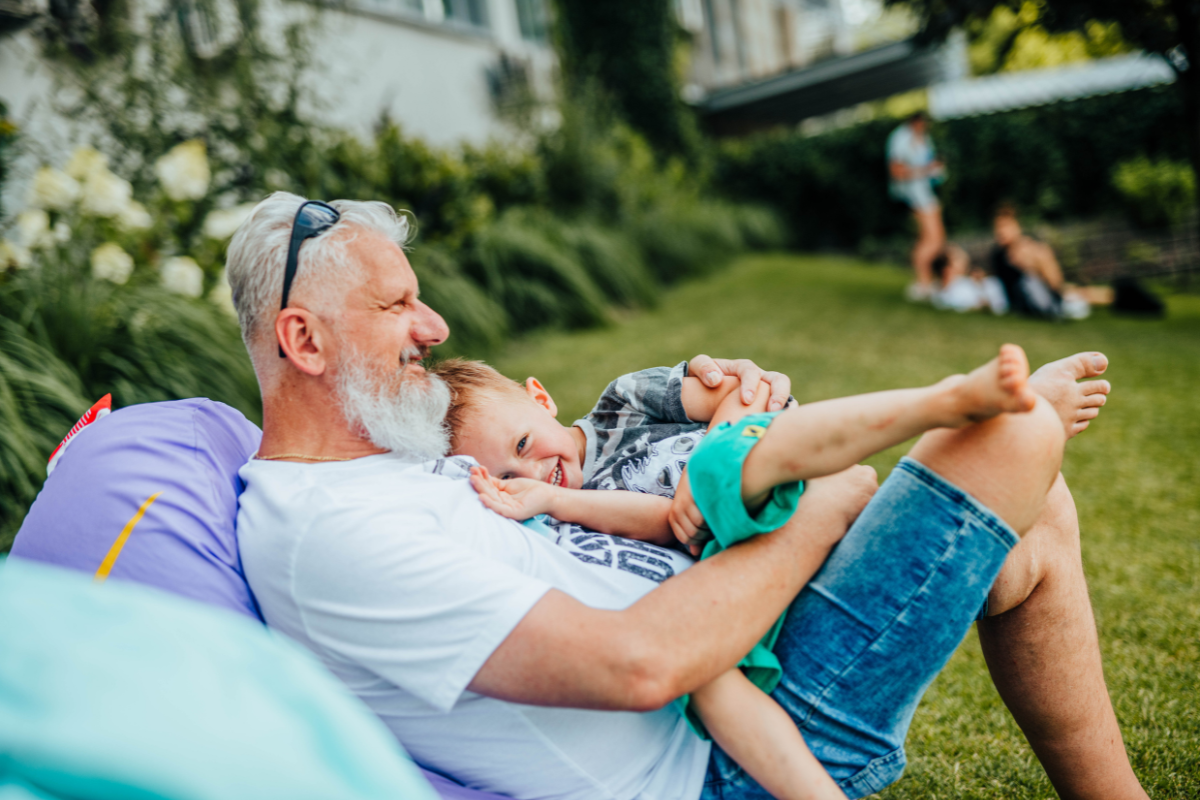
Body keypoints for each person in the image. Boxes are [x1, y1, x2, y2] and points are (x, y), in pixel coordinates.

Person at [229, 192, 1148, 800]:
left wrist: (715, 404)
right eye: (395, 308)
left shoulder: (392, 463)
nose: (433, 328)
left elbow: (584, 493)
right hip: (722, 757)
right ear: (303, 342)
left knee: (1035, 524)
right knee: (1013, 436)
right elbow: (640, 666)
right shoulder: (327, 532)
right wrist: (827, 502)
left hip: (737, 644)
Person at [433, 344, 1060, 800]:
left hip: (764, 481)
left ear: (540, 398)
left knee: (720, 468)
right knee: (712, 683)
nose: (535, 473)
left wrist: (715, 449)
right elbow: (662, 527)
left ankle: (946, 401)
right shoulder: (565, 519)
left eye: (522, 446)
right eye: (510, 477)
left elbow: (744, 392)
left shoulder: (620, 403)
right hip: (739, 571)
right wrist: (556, 503)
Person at [990, 204, 1112, 320]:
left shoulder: (1035, 249)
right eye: (997, 227)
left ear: (1017, 227)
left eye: (1004, 226)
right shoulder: (998, 255)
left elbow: (1055, 283)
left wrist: (1031, 268)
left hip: (1046, 300)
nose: (1000, 231)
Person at [887, 110, 946, 302]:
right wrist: (924, 170)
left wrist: (934, 169)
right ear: (916, 122)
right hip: (915, 195)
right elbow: (896, 171)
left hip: (926, 192)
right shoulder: (900, 138)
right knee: (933, 240)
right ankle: (922, 283)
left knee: (932, 239)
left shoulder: (923, 137)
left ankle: (925, 282)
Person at [930, 243, 1008, 315]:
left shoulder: (967, 283)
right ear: (947, 269)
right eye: (958, 258)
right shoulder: (959, 287)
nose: (965, 259)